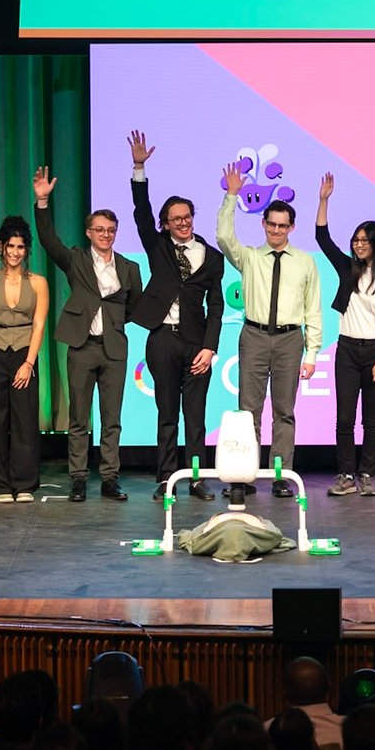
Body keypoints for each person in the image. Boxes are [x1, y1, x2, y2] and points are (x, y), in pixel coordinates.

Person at [126, 130, 226, 501]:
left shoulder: (212, 257)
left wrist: (210, 348)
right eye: (175, 219)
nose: (183, 223)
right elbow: (141, 213)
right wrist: (139, 169)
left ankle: (197, 479)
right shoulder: (158, 247)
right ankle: (166, 479)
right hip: (162, 340)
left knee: (196, 418)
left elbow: (217, 306)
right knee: (167, 414)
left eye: (187, 217)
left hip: (197, 345)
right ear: (165, 224)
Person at [34, 165, 144, 503]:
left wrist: (113, 323)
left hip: (114, 350)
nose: (105, 235)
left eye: (110, 230)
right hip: (82, 347)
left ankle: (110, 478)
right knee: (79, 418)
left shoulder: (129, 267)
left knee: (112, 420)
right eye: (99, 230)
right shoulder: (76, 260)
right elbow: (48, 241)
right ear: (88, 233)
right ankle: (79, 478)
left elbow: (133, 306)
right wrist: (42, 203)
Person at [218, 158, 321, 498]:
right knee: (249, 410)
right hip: (254, 336)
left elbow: (313, 309)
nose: (276, 231)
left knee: (284, 412)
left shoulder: (305, 262)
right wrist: (232, 196)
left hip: (290, 339)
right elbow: (223, 236)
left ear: (292, 227)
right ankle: (245, 475)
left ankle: (280, 475)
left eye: (282, 226)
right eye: (272, 224)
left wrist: (312, 353)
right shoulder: (249, 257)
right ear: (263, 223)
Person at [315, 173, 375, 496]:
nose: (358, 244)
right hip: (348, 351)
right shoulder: (347, 269)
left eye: (365, 240)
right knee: (344, 419)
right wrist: (324, 200)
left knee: (371, 420)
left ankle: (367, 474)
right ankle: (345, 475)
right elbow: (323, 239)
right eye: (356, 239)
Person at [0, 175, 50, 503]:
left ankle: (24, 483)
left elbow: (39, 324)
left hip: (24, 353)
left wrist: (29, 363)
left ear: (26, 249)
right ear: (2, 247)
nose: (15, 252)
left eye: (20, 247)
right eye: (10, 246)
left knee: (25, 420)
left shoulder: (38, 282)